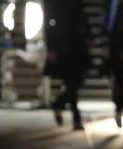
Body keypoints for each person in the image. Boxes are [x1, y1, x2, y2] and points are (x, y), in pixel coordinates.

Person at [44, 0, 92, 131]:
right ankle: (76, 118)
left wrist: (89, 36)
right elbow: (48, 23)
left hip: (77, 45)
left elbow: (82, 16)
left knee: (75, 82)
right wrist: (51, 48)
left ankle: (58, 103)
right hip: (63, 46)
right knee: (71, 82)